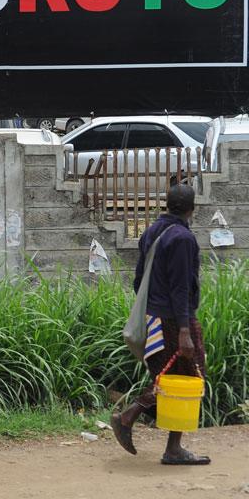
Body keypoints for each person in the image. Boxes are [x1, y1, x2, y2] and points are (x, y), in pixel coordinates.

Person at [111, 184, 210, 466]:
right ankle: (155, 436)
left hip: (155, 317)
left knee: (170, 379)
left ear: (166, 205)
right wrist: (183, 330)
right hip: (174, 320)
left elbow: (138, 278)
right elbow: (180, 288)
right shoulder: (182, 238)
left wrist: (152, 310)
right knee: (190, 376)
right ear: (192, 208)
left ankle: (139, 424)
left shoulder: (152, 231)